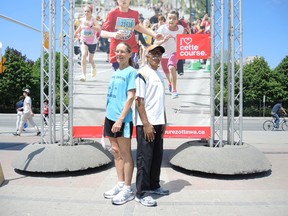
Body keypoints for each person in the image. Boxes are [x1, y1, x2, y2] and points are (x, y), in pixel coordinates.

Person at [134, 45, 169, 207]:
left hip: (158, 122)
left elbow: (159, 101)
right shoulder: (142, 73)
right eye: (153, 54)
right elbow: (139, 101)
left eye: (159, 54)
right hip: (146, 124)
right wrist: (146, 124)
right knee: (144, 159)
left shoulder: (159, 74)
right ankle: (140, 193)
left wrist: (164, 120)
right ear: (146, 56)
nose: (156, 57)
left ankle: (154, 185)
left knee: (156, 158)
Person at [103, 42, 136, 205]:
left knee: (125, 154)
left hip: (122, 120)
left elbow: (131, 97)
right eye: (117, 51)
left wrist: (120, 119)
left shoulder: (131, 72)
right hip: (110, 118)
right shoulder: (116, 71)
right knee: (116, 152)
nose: (119, 54)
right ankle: (120, 184)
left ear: (130, 54)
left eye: (123, 51)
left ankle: (128, 189)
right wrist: (108, 117)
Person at [100, 0, 160, 71]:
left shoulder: (134, 13)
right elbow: (102, 33)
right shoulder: (112, 14)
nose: (124, 0)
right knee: (120, 77)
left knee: (130, 74)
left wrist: (154, 34)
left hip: (131, 49)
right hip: (117, 51)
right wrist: (113, 34)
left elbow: (138, 27)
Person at [154, 10, 184, 98]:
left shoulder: (181, 29)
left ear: (177, 20)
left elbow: (184, 41)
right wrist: (164, 40)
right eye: (169, 18)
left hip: (175, 52)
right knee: (167, 73)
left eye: (174, 18)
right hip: (163, 54)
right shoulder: (162, 29)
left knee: (171, 67)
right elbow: (155, 43)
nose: (171, 20)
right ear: (166, 19)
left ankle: (174, 90)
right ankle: (171, 84)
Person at [74, 5, 101, 81]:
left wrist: (91, 26)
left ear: (91, 12)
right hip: (84, 41)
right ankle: (83, 75)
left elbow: (99, 29)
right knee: (83, 55)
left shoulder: (93, 20)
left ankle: (93, 66)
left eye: (88, 11)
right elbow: (80, 28)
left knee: (90, 60)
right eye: (85, 11)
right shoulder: (82, 20)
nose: (86, 13)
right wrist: (75, 34)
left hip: (92, 42)